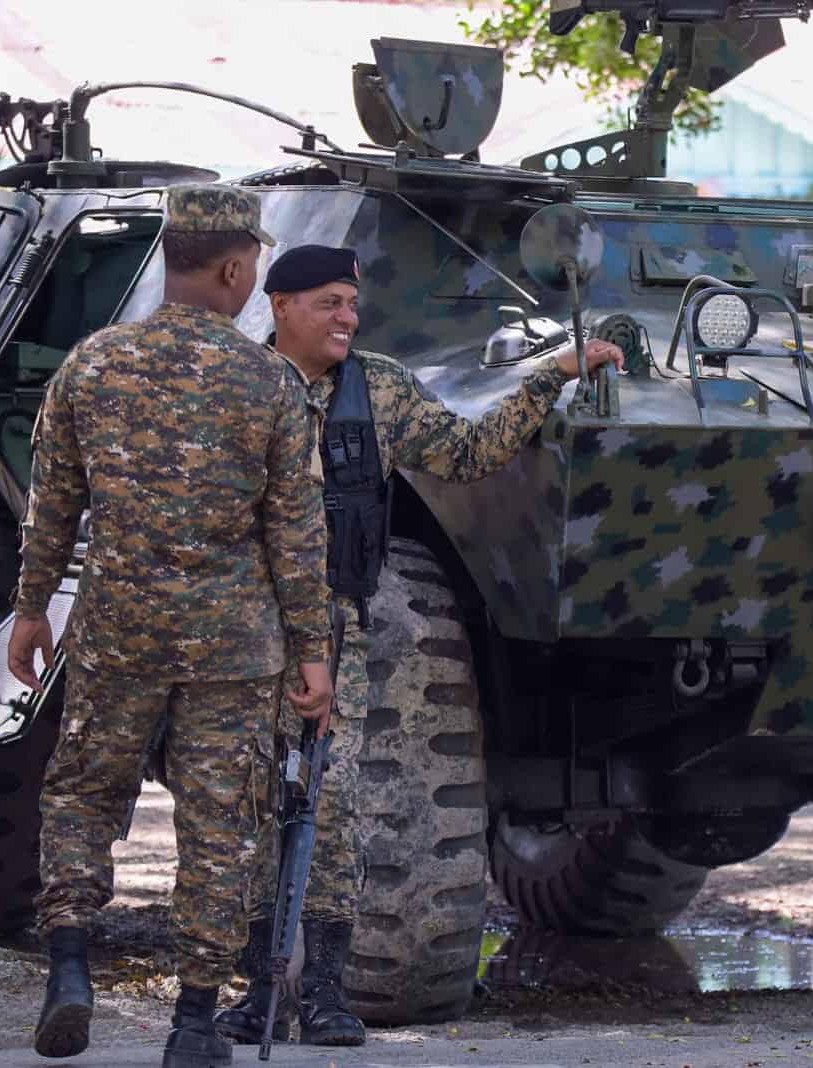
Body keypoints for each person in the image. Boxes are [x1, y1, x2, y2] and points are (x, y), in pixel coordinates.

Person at [216, 244, 620, 1047]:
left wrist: (549, 376)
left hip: (337, 637)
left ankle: (325, 992)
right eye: (329, 302)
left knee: (329, 812)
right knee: (249, 808)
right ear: (282, 304)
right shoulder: (233, 384)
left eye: (352, 304)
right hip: (245, 634)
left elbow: (465, 454)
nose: (347, 318)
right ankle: (252, 986)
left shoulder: (381, 387)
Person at [8, 186, 335, 1068]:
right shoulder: (270, 380)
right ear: (234, 268)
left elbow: (54, 508)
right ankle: (194, 1022)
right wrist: (314, 650)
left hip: (118, 632)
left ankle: (70, 967)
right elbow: (297, 535)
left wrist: (32, 608)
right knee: (220, 823)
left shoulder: (91, 364)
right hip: (235, 647)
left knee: (82, 795)